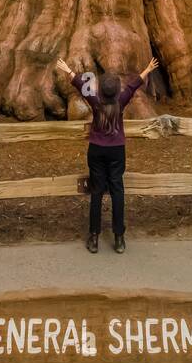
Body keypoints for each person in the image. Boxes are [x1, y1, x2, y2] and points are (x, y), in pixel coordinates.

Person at [55, 54, 158, 253]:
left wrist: (67, 69)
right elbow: (134, 85)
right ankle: (119, 238)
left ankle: (94, 237)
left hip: (96, 150)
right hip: (117, 151)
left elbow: (79, 84)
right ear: (116, 90)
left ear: (101, 89)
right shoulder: (121, 100)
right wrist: (147, 68)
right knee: (117, 191)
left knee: (96, 192)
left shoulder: (95, 102)